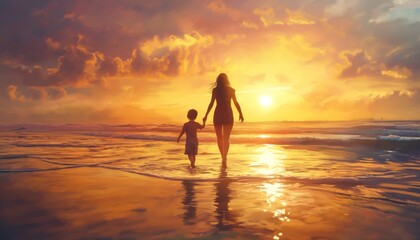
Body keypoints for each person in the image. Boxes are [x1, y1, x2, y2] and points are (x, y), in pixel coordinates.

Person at [203, 73, 244, 167]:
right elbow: (236, 103)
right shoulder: (231, 90)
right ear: (227, 80)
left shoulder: (215, 90)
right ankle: (225, 157)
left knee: (219, 138)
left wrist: (206, 115)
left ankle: (223, 157)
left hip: (218, 114)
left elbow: (211, 104)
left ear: (218, 80)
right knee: (226, 138)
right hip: (228, 114)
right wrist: (240, 113)